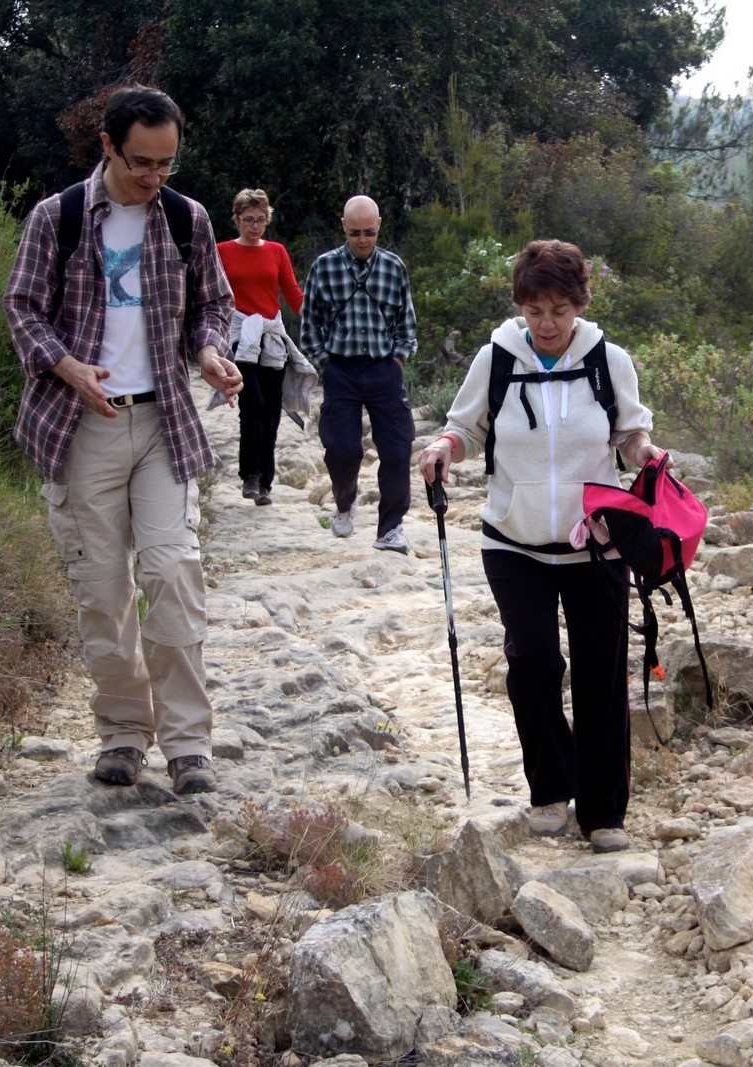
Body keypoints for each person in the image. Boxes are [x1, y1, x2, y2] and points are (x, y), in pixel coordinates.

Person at [4, 85, 242, 794]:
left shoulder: (187, 218)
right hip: (82, 427)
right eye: (142, 162)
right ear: (108, 146)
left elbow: (214, 303)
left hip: (164, 423)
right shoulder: (58, 218)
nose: (154, 176)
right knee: (102, 592)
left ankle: (188, 743)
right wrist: (66, 366)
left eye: (167, 163)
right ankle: (123, 732)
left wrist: (209, 351)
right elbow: (21, 306)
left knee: (173, 573)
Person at [417, 239, 662, 853]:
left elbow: (630, 433)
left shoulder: (608, 361)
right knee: (532, 665)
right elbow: (466, 428)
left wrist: (646, 454)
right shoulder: (496, 359)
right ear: (520, 307)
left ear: (580, 304)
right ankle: (550, 789)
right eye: (535, 311)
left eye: (559, 310)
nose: (547, 324)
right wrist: (444, 447)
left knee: (601, 673)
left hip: (595, 543)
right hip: (514, 542)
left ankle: (604, 813)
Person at [300, 195, 418, 553]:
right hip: (341, 369)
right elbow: (309, 323)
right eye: (355, 233)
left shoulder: (394, 267)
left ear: (379, 225)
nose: (363, 239)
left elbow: (407, 322)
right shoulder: (324, 267)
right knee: (341, 448)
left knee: (397, 448)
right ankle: (344, 500)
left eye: (369, 232)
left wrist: (398, 359)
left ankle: (390, 529)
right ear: (343, 227)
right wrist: (326, 362)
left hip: (384, 369)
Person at [217, 188, 304, 506]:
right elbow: (212, 294)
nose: (255, 226)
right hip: (240, 337)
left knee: (271, 410)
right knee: (252, 403)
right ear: (237, 219)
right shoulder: (222, 251)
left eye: (261, 220)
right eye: (249, 220)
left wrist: (320, 313)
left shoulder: (277, 251)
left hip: (271, 337)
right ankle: (250, 475)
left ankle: (265, 482)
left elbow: (292, 294)